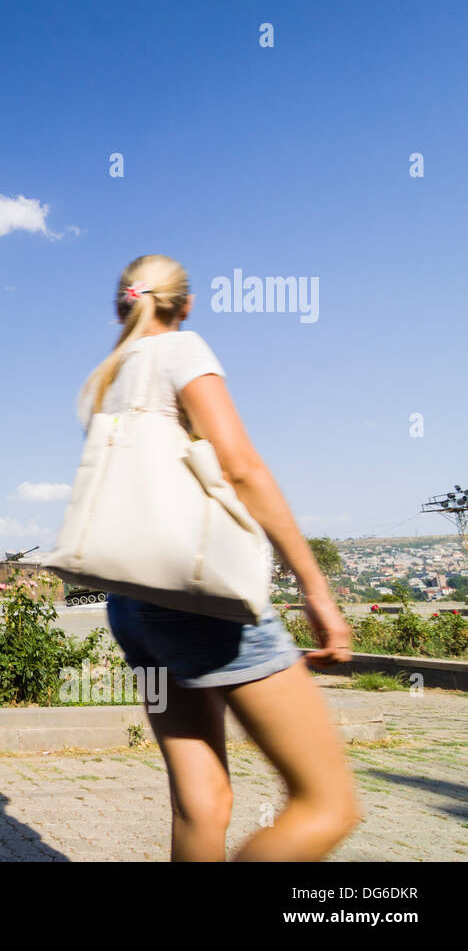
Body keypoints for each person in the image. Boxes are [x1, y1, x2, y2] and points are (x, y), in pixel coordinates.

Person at [76, 255, 359, 861]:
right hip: (203, 598)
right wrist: (314, 585)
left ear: (123, 305)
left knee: (200, 805)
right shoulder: (182, 349)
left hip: (132, 605)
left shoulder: (109, 378)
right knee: (327, 804)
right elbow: (240, 465)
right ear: (186, 304)